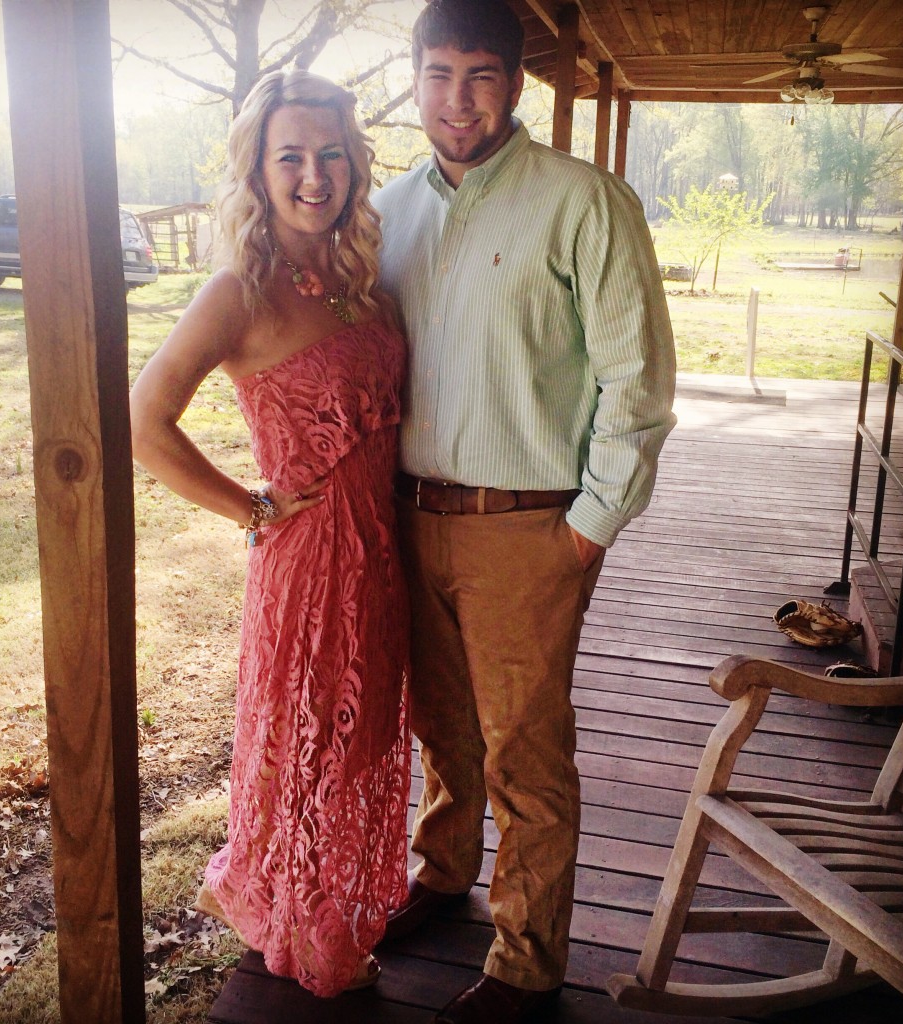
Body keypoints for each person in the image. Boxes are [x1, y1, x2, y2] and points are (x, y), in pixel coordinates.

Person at [372, 2, 677, 1022]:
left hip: (528, 526)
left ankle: (527, 960)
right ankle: (442, 871)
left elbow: (638, 380)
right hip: (409, 515)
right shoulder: (387, 210)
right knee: (441, 727)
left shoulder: (584, 202)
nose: (458, 99)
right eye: (439, 74)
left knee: (525, 752)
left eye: (480, 75)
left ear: (513, 83)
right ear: (415, 77)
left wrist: (588, 526)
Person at [129, 69, 410, 999]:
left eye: (331, 154)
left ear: (354, 164)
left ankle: (312, 906)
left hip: (382, 560)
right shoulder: (237, 291)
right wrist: (246, 505)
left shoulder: (361, 278)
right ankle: (306, 935)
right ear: (257, 168)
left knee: (360, 746)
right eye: (290, 156)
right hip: (309, 568)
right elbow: (143, 422)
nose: (313, 176)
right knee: (309, 753)